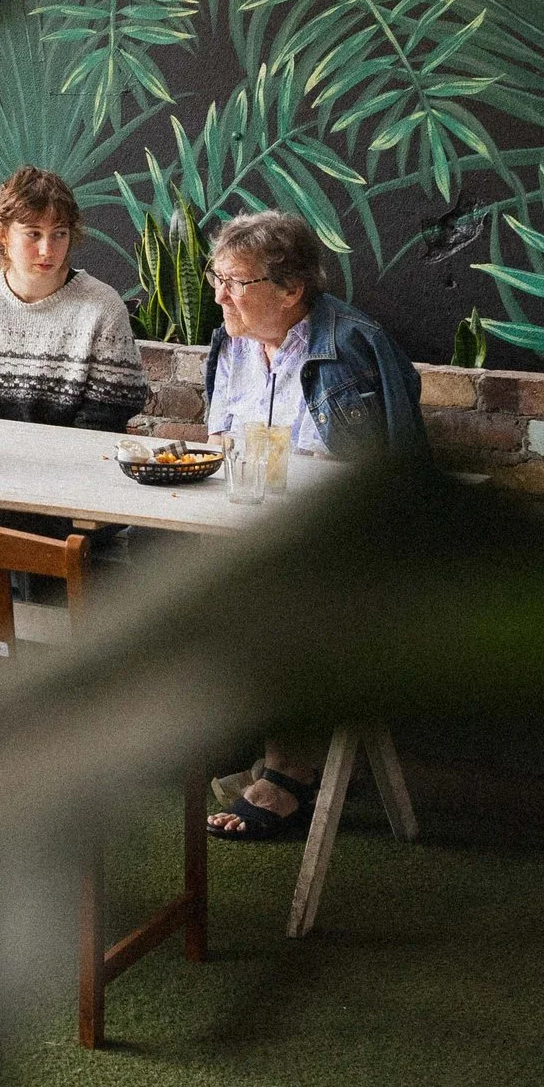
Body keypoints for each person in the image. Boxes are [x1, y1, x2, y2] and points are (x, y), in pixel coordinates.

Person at [199, 209, 425, 845]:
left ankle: (289, 769)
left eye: (234, 281)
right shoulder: (229, 343)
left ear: (291, 289)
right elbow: (219, 447)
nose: (219, 295)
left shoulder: (354, 345)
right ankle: (246, 743)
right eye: (216, 277)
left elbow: (392, 480)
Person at [0, 167, 147, 431]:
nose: (47, 250)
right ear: (3, 234)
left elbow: (107, 412)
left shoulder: (103, 307)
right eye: (33, 233)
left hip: (80, 461)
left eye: (59, 233)